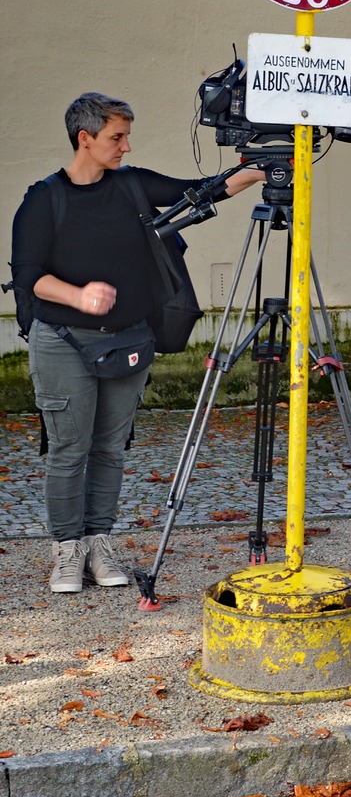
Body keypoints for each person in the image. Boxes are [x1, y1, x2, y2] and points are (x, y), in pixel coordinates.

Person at [9, 92, 264, 595]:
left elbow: (201, 191)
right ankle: (67, 551)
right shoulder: (44, 199)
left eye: (127, 135)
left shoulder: (132, 186)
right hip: (62, 340)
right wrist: (80, 296)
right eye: (116, 137)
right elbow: (29, 277)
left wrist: (258, 169)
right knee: (68, 449)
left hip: (128, 339)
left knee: (109, 450)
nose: (126, 146)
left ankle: (99, 543)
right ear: (85, 139)